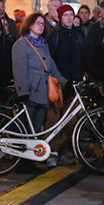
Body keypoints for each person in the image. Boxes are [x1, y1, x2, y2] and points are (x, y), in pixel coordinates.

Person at [46, 4, 95, 167]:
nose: (68, 17)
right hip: (57, 85)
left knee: (71, 121)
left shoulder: (79, 35)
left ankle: (63, 151)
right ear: (59, 17)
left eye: (70, 15)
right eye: (65, 15)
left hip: (74, 85)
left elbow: (86, 57)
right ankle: (51, 154)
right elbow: (51, 61)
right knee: (54, 120)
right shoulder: (54, 36)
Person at [12, 12, 67, 144]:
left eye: (43, 23)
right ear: (29, 24)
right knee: (27, 130)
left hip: (43, 93)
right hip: (30, 93)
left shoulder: (43, 44)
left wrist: (65, 83)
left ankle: (31, 159)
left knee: (37, 129)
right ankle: (23, 160)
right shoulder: (21, 44)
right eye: (37, 22)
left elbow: (51, 67)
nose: (41, 26)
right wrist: (23, 92)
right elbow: (19, 70)